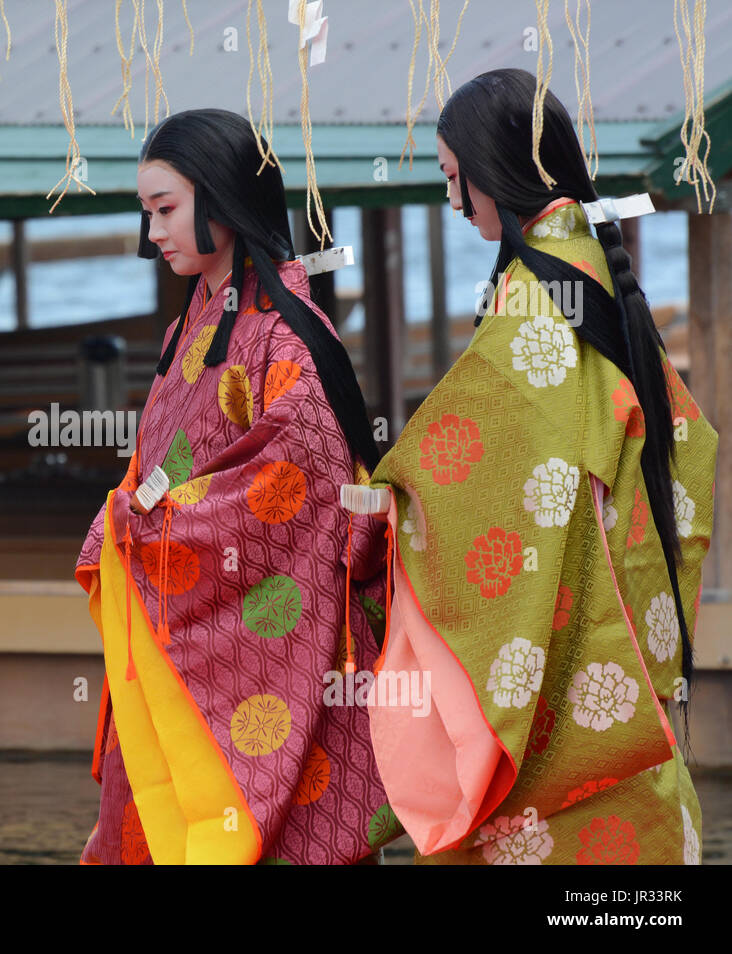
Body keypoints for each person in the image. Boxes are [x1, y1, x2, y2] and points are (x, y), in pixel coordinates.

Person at [344, 69, 716, 864]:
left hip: (578, 596)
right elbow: (688, 437)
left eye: (453, 177)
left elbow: (479, 449)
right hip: (616, 566)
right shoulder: (582, 261)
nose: (452, 202)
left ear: (494, 165)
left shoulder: (540, 294)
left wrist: (392, 494)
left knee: (550, 793)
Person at [75, 108, 400, 865]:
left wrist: (143, 530)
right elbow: (160, 464)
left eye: (166, 210)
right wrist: (136, 519)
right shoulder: (194, 321)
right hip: (184, 625)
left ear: (220, 199)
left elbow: (294, 495)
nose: (152, 232)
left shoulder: (286, 336)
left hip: (278, 637)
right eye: (146, 212)